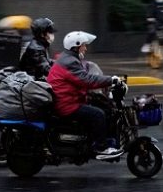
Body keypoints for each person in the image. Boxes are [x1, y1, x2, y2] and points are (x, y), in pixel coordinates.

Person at [47, 31, 123, 159]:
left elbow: (80, 80)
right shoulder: (70, 61)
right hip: (67, 104)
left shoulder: (67, 58)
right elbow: (86, 80)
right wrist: (111, 80)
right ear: (76, 46)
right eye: (84, 45)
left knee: (100, 105)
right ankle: (101, 148)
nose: (86, 48)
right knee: (98, 114)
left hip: (67, 99)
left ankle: (93, 141)